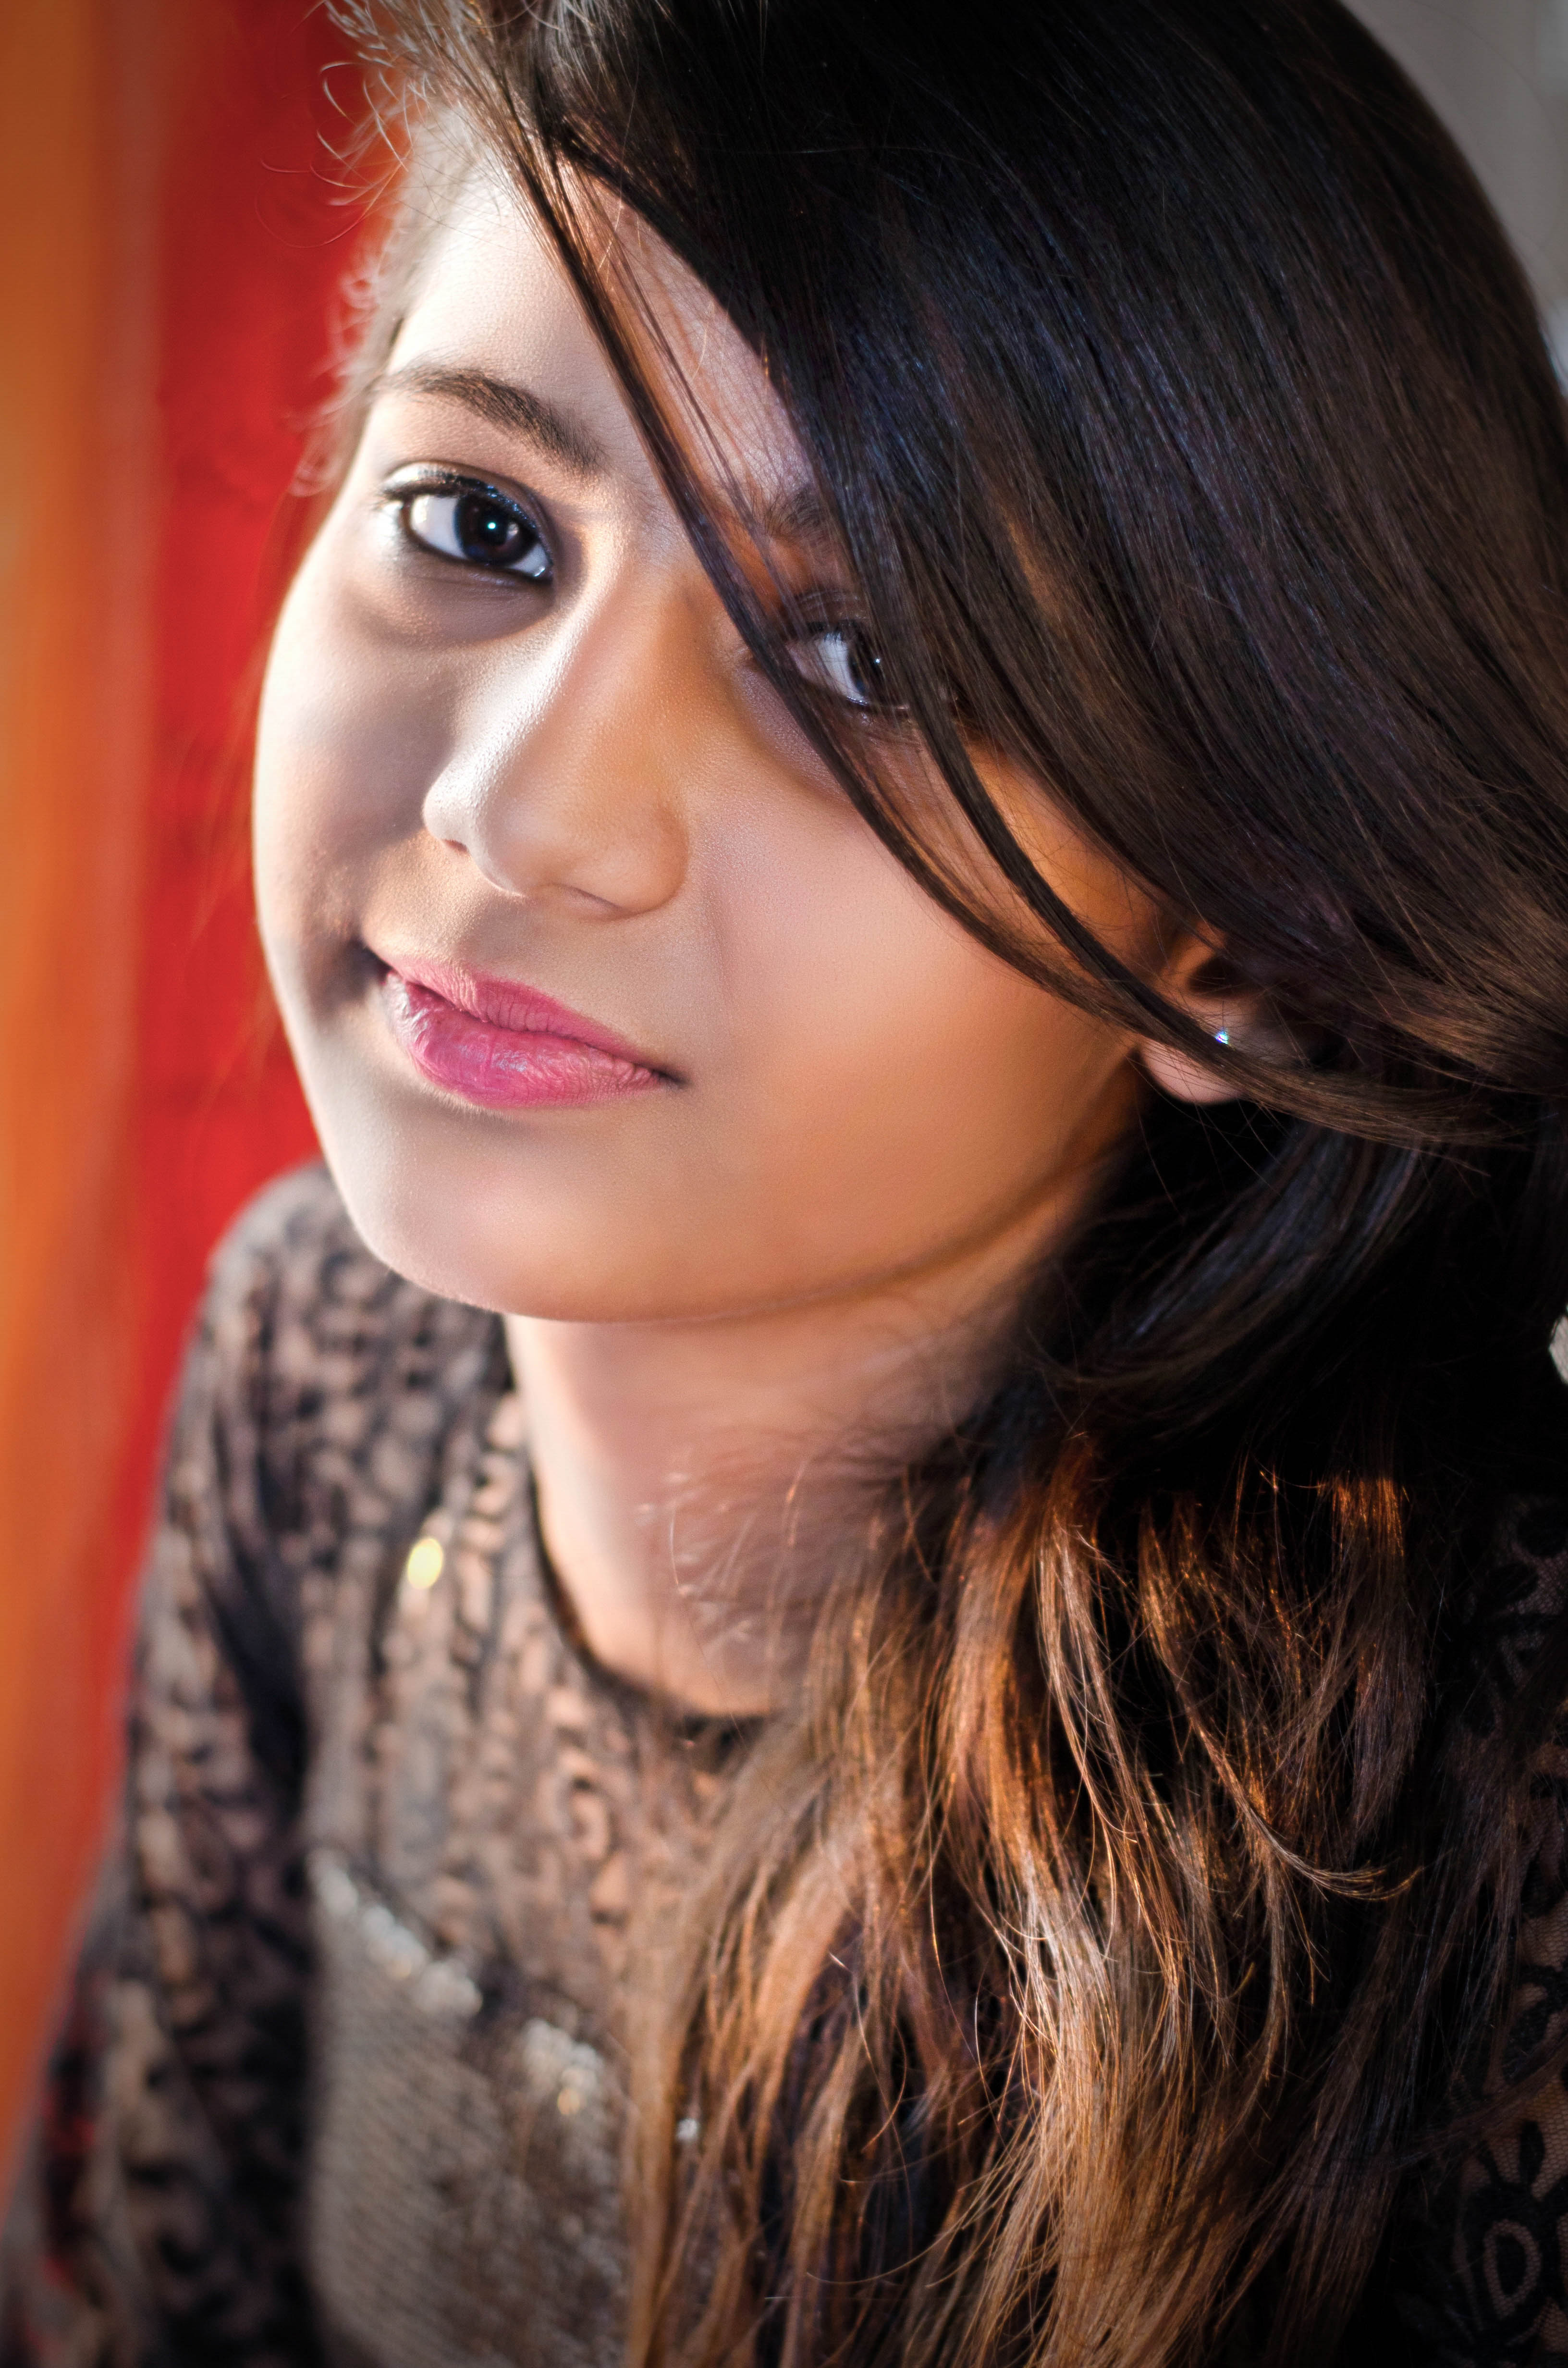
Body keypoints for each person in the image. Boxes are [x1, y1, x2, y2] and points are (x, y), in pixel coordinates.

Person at [7, 0, 1568, 2360]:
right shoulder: (313, 1362)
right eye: (479, 525)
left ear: (1247, 943)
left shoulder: (1495, 1778)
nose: (518, 809)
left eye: (859, 659)